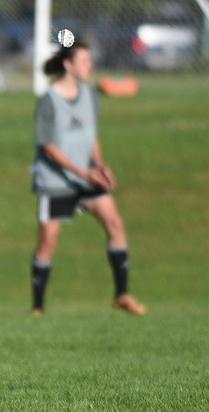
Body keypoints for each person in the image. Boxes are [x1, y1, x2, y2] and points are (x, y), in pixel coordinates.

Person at [29, 33, 146, 317]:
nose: (90, 66)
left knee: (114, 222)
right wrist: (83, 171)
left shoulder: (91, 96)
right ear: (68, 65)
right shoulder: (48, 101)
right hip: (56, 182)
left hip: (88, 179)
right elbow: (50, 149)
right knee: (48, 242)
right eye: (84, 60)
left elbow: (91, 136)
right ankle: (38, 308)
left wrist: (100, 165)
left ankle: (122, 294)